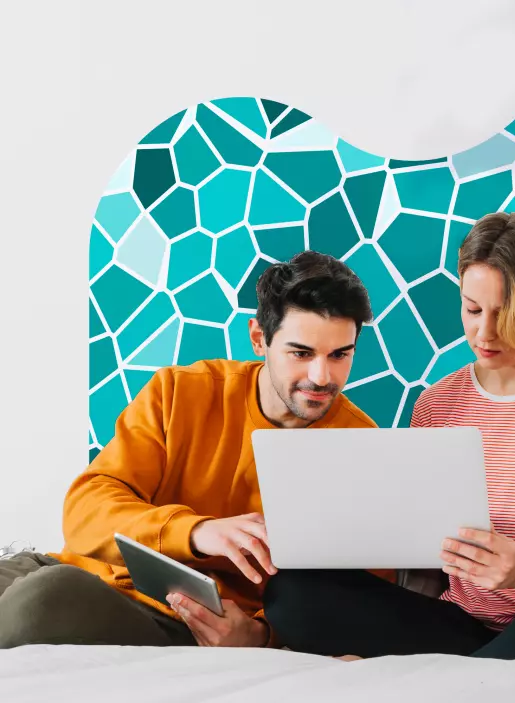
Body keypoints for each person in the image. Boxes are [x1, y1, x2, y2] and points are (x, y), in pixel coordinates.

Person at [263, 212, 515, 661]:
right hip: (466, 629)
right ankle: (492, 672)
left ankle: (477, 675)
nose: (484, 332)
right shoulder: (435, 404)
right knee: (293, 591)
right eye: (473, 309)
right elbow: (428, 563)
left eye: (505, 314)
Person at [0, 251, 388, 649]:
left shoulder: (361, 447)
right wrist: (196, 532)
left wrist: (263, 635)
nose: (321, 376)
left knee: (41, 601)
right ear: (259, 339)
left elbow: (366, 598)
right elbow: (85, 509)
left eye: (340, 354)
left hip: (170, 613)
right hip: (69, 567)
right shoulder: (179, 391)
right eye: (301, 353)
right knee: (39, 586)